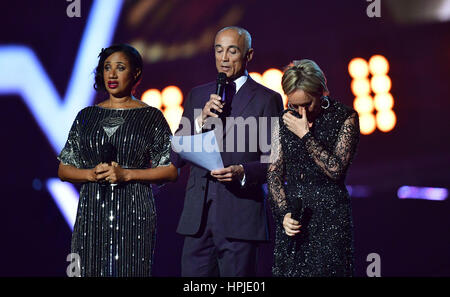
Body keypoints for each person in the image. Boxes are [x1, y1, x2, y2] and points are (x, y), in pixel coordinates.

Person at [170, 26, 283, 276]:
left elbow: (276, 162)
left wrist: (243, 172)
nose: (224, 58)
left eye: (232, 51)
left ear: (248, 55)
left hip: (239, 217)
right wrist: (199, 123)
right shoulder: (198, 95)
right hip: (197, 220)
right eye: (219, 50)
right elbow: (175, 155)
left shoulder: (267, 99)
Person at [57, 44, 177, 277]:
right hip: (91, 212)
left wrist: (127, 174)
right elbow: (64, 168)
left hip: (135, 211)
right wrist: (89, 174)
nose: (111, 74)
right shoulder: (86, 116)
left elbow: (171, 170)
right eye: (106, 68)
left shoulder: (151, 116)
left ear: (136, 73)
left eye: (120, 68)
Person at [267, 59, 360, 277]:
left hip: (330, 218)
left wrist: (305, 135)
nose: (301, 112)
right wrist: (283, 214)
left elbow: (336, 170)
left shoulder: (345, 117)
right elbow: (273, 174)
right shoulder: (280, 122)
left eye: (307, 104)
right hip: (294, 216)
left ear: (321, 92)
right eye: (294, 105)